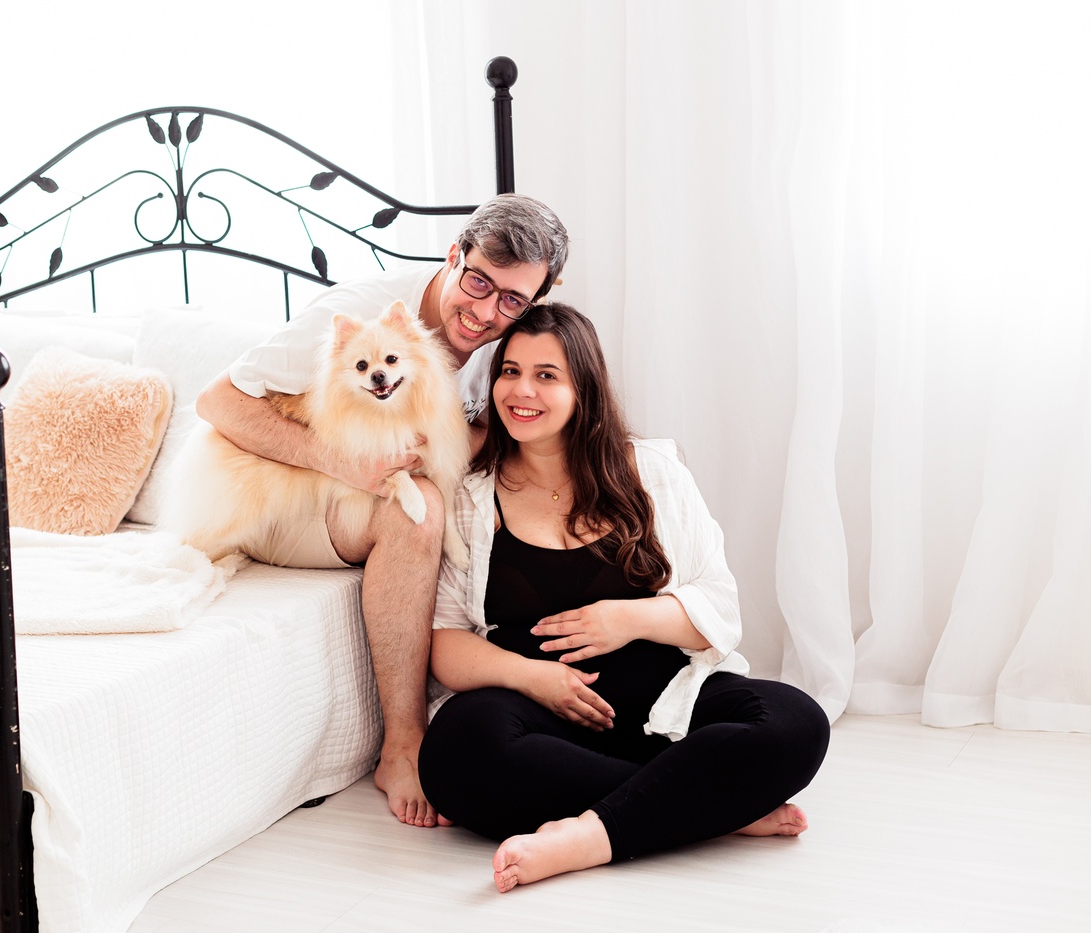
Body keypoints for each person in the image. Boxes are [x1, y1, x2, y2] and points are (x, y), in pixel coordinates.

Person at [417, 302, 830, 891]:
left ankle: (588, 838)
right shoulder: (470, 494)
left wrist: (627, 619)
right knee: (455, 752)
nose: (521, 390)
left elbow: (718, 606)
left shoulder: (652, 470)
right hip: (540, 712)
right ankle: (711, 805)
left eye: (546, 375)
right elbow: (447, 641)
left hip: (663, 701)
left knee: (796, 722)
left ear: (583, 388)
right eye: (509, 371)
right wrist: (534, 678)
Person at [195, 194, 570, 828]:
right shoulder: (354, 317)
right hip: (284, 498)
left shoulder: (509, 342)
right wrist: (345, 462)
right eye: (478, 282)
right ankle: (402, 745)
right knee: (416, 511)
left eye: (512, 299)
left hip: (359, 496)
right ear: (453, 257)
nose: (485, 312)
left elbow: (493, 432)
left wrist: (445, 446)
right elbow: (217, 402)